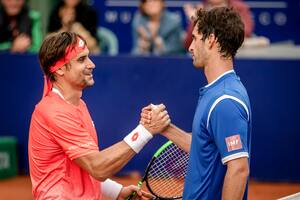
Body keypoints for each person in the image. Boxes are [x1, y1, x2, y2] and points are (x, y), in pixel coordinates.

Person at [28, 31, 170, 199]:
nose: (91, 64)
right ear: (60, 69)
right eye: (81, 59)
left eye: (88, 57)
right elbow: (98, 167)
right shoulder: (54, 112)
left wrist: (117, 192)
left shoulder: (78, 105)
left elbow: (83, 167)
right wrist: (145, 130)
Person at [142, 7, 252, 199]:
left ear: (211, 40)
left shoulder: (224, 101)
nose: (190, 47)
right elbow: (203, 145)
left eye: (195, 38)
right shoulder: (217, 92)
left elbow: (238, 169)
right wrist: (164, 128)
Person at [183, 0, 254, 50]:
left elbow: (244, 32)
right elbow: (188, 43)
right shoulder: (201, 9)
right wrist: (196, 21)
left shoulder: (239, 7)